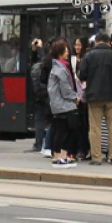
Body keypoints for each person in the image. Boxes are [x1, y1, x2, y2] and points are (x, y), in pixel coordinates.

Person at [78, 33, 112, 166]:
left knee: (95, 127)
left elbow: (82, 75)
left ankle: (96, 157)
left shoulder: (89, 56)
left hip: (94, 96)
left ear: (96, 42)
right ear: (108, 43)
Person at [45, 40, 79, 168]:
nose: (68, 52)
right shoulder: (60, 69)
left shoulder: (61, 67)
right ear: (60, 52)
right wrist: (76, 97)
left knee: (67, 131)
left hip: (61, 104)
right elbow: (65, 90)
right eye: (66, 49)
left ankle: (63, 156)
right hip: (63, 105)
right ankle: (57, 157)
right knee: (62, 131)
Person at [27, 41, 51, 155]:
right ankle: (48, 144)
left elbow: (32, 62)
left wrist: (35, 50)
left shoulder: (36, 63)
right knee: (51, 120)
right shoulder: (47, 61)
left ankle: (38, 143)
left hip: (38, 94)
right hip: (47, 93)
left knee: (39, 119)